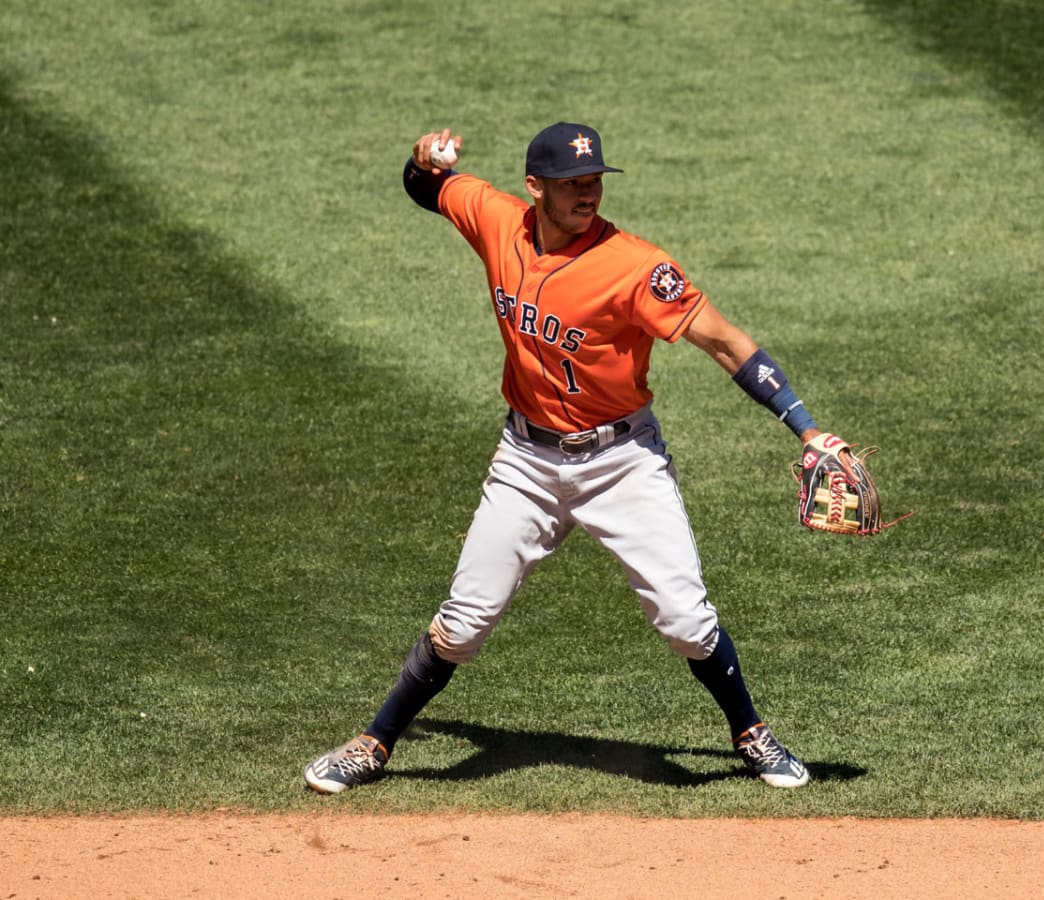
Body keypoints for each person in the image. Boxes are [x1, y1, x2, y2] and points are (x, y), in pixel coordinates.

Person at [304, 121, 848, 794]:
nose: (587, 195)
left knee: (685, 620)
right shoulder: (496, 218)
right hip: (526, 463)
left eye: (593, 181)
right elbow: (428, 190)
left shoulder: (637, 267)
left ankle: (751, 733)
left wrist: (806, 428)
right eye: (571, 186)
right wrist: (420, 163)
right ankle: (375, 743)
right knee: (464, 623)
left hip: (621, 463)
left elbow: (727, 344)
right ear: (536, 188)